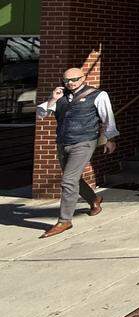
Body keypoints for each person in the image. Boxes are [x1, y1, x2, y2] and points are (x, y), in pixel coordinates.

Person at [35, 68, 118, 238]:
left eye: (75, 79)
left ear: (84, 78)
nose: (71, 83)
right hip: (63, 142)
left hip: (85, 142)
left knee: (68, 180)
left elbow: (107, 117)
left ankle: (64, 220)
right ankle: (94, 200)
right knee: (73, 179)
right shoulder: (61, 95)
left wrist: (110, 139)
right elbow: (41, 114)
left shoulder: (98, 95)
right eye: (67, 80)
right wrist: (53, 99)